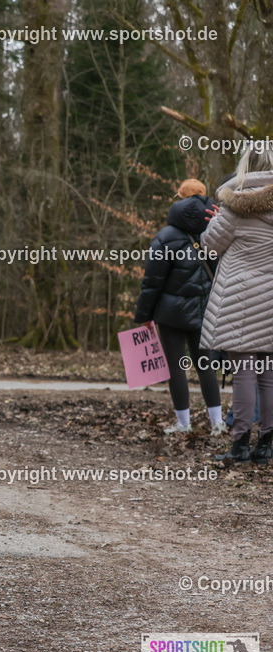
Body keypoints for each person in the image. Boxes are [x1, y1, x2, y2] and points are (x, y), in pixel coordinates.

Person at [200, 147, 273, 464]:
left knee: (244, 372)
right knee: (268, 373)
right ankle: (267, 445)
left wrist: (215, 220)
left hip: (240, 300)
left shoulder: (233, 205)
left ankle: (240, 444)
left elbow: (209, 245)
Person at [134, 182, 225, 435]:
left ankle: (184, 424)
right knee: (205, 365)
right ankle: (217, 422)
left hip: (171, 314)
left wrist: (144, 315)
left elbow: (153, 282)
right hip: (206, 310)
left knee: (176, 368)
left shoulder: (165, 237)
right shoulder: (219, 231)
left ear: (180, 199)